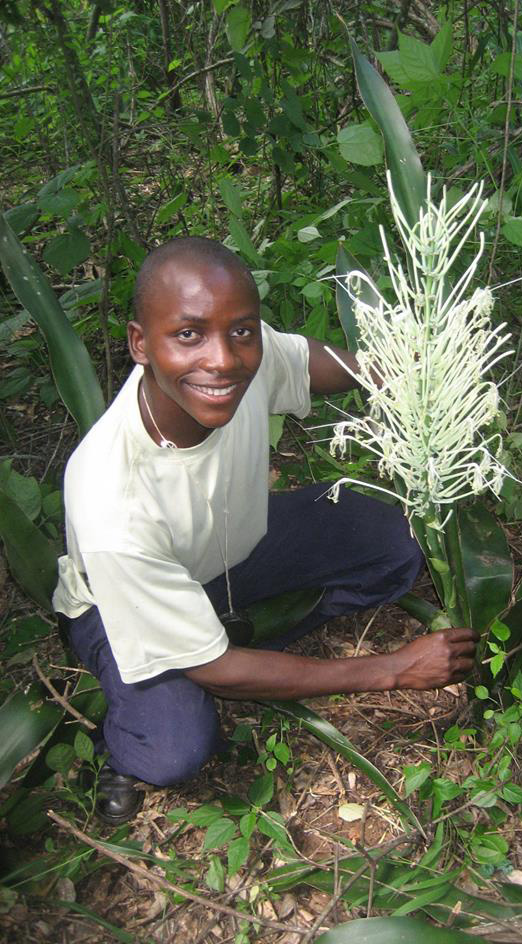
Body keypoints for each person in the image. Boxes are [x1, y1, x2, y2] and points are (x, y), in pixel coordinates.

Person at [53, 237, 478, 824]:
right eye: (188, 335)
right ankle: (133, 733)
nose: (223, 359)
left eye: (242, 331)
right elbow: (213, 673)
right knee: (176, 749)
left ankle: (237, 645)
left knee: (397, 538)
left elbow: (308, 362)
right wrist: (392, 668)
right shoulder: (111, 497)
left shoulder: (240, 362)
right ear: (139, 343)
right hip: (116, 601)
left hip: (235, 543)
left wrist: (409, 371)